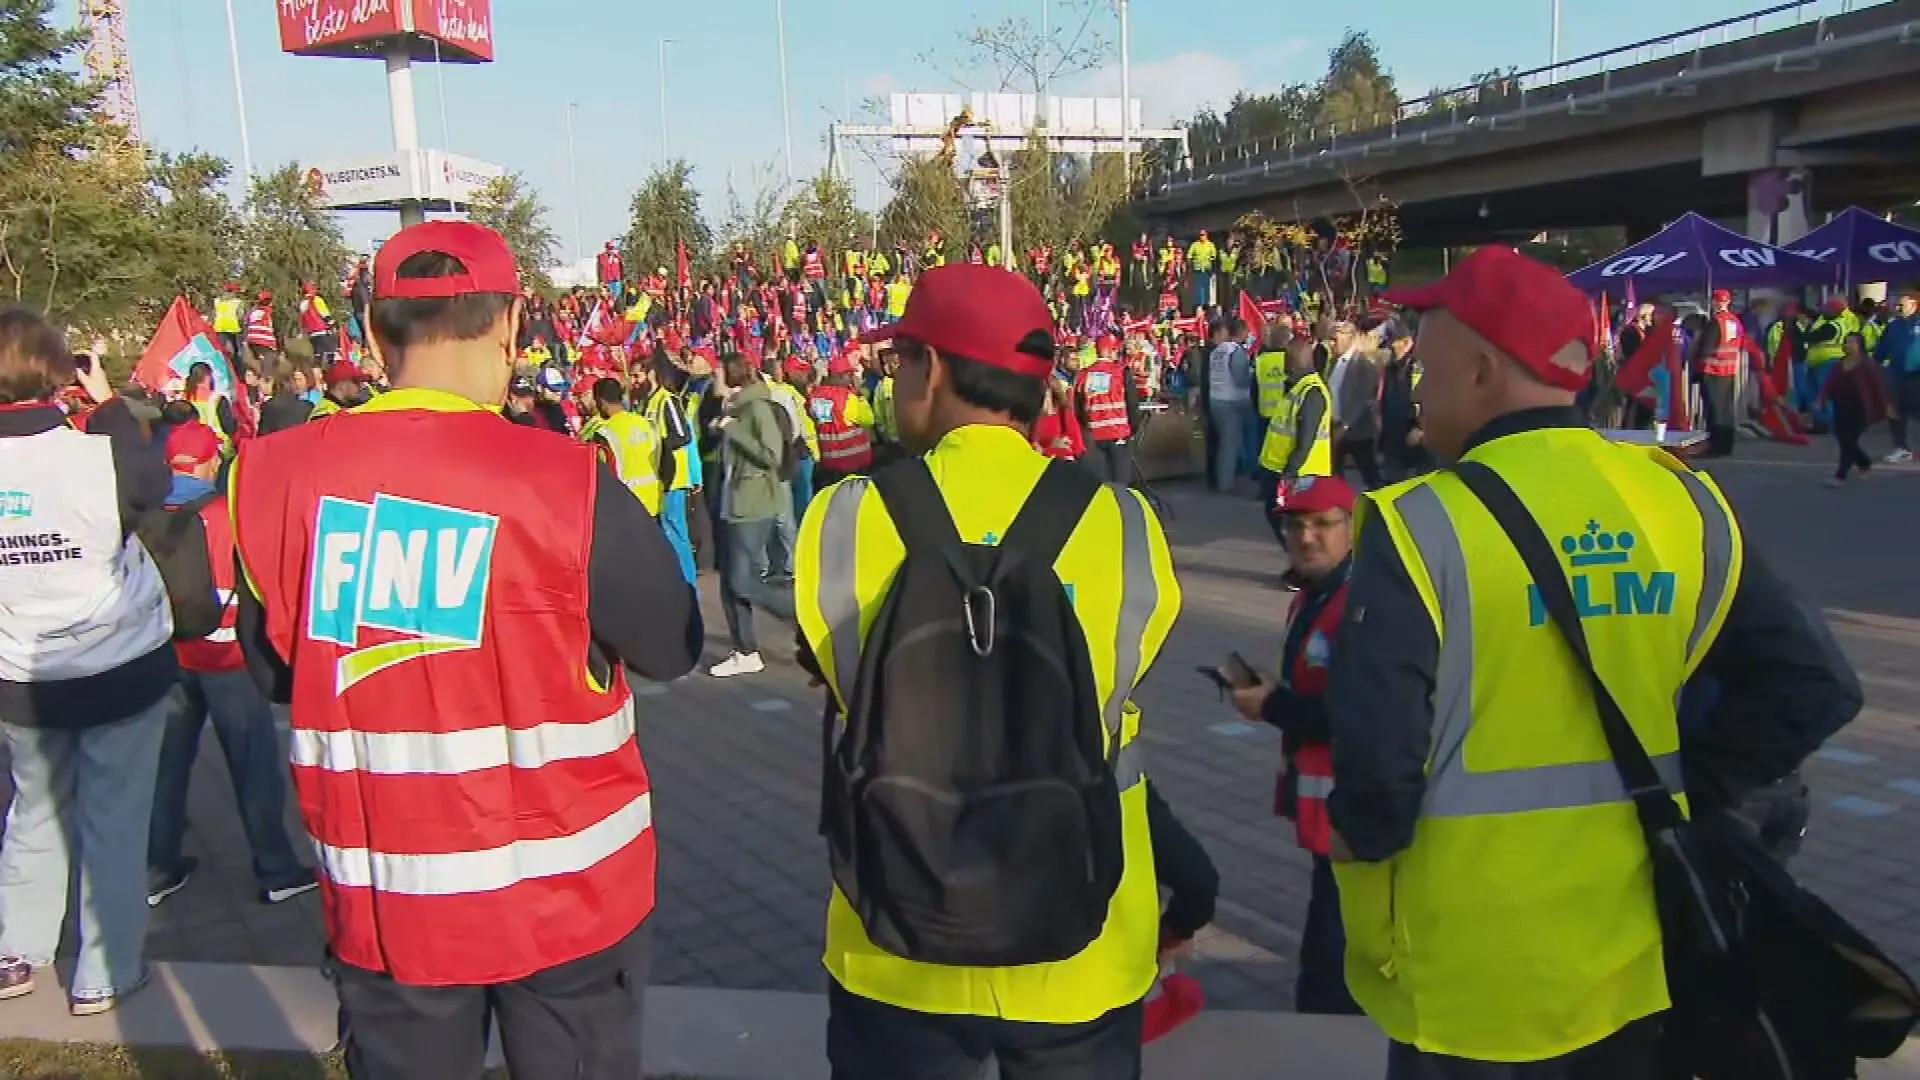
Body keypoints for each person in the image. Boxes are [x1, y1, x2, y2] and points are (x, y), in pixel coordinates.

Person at [1325, 246, 1863, 1079]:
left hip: (1471, 971)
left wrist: (1357, 851)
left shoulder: (1419, 524)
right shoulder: (1677, 496)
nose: (1414, 391)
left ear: (1481, 370)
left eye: (1424, 366)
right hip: (1637, 956)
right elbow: (1815, 683)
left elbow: (1378, 782)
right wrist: (1693, 785)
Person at [228, 221, 701, 1080]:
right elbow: (673, 644)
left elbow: (273, 672)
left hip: (387, 898)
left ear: (372, 333)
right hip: (571, 898)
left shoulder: (268, 475)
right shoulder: (566, 477)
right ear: (514, 324)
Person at [797, 263, 1187, 1079]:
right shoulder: (1123, 523)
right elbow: (1115, 694)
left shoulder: (843, 519)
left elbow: (841, 674)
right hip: (1080, 937)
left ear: (931, 369)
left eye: (898, 361)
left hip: (896, 934)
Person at [0, 307, 175, 1015]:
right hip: (118, 662)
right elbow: (152, 485)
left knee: (33, 810)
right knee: (115, 817)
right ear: (58, 371)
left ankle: (17, 948)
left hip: (20, 670)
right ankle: (103, 969)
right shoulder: (98, 451)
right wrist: (103, 402)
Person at [145, 421, 317, 910]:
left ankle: (159, 869)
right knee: (254, 768)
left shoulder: (150, 513)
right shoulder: (225, 513)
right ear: (210, 461)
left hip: (169, 656)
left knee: (168, 767)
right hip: (226, 658)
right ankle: (276, 868)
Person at [1229, 474, 1361, 1016]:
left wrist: (1273, 705)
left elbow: (1358, 713)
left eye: (1323, 524)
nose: (1307, 537)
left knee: (1336, 965)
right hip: (1327, 815)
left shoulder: (1360, 605)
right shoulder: (1312, 595)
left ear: (1352, 529)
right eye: (1296, 525)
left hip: (1356, 818)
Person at [710, 356, 798, 679]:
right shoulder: (734, 408)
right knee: (729, 585)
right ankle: (744, 649)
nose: (712, 380)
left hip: (754, 503)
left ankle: (796, 614)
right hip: (734, 501)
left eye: (716, 374)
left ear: (731, 378)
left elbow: (771, 455)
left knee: (741, 581)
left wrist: (734, 432)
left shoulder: (757, 408)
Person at [1255, 339, 1332, 548]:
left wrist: (1290, 473)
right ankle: (1299, 563)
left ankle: (1305, 567)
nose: (1285, 366)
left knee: (1298, 525)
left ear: (1298, 361)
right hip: (1280, 467)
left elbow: (1305, 439)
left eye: (1288, 361)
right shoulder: (1298, 387)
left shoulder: (1312, 392)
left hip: (1303, 472)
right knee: (1283, 520)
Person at [1817, 332, 1889, 489]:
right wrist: (1822, 400)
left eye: (1852, 342)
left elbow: (1878, 388)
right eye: (1847, 342)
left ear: (1860, 345)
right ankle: (1864, 463)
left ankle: (1840, 475)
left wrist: (1886, 406)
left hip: (1860, 408)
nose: (1848, 345)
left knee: (1849, 441)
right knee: (1844, 440)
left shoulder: (1867, 365)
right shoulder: (1839, 364)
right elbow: (1828, 384)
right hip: (1841, 406)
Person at [584, 377, 663, 515]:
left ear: (601, 402)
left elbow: (602, 473)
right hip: (654, 500)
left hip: (627, 504)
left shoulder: (604, 433)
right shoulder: (645, 422)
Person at [809, 352, 877, 489]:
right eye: (849, 375)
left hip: (829, 463)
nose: (851, 379)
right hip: (853, 465)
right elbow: (869, 419)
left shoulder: (815, 397)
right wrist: (860, 396)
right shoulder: (848, 398)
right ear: (840, 376)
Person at [1693, 288, 1747, 457]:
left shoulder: (1715, 322)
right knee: (1726, 410)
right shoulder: (1735, 322)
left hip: (1712, 370)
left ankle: (1714, 446)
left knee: (1713, 410)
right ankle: (1726, 445)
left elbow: (1706, 348)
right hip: (1729, 370)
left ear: (1715, 302)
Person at [1205, 319, 1254, 491]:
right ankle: (1224, 484)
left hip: (1216, 399)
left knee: (1225, 443)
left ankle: (1223, 479)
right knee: (1229, 445)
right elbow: (1240, 380)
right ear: (1241, 333)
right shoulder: (1236, 351)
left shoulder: (1217, 351)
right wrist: (1252, 375)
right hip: (1231, 402)